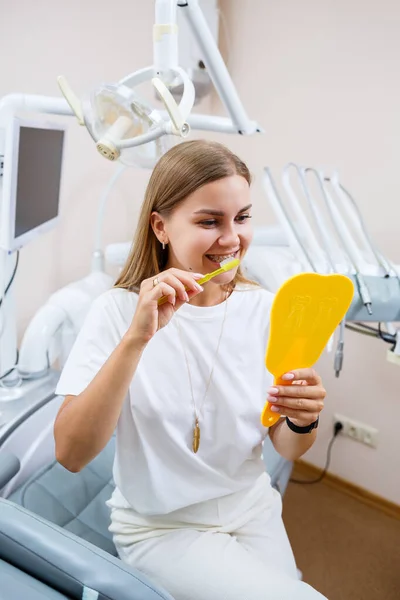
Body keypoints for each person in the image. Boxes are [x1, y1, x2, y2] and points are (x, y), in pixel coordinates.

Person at [54, 140, 327, 600]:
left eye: (241, 217)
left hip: (252, 507)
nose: (231, 238)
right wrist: (136, 340)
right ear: (160, 227)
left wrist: (304, 418)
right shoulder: (118, 314)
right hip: (163, 528)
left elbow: (288, 446)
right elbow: (72, 454)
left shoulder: (265, 311)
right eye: (209, 221)